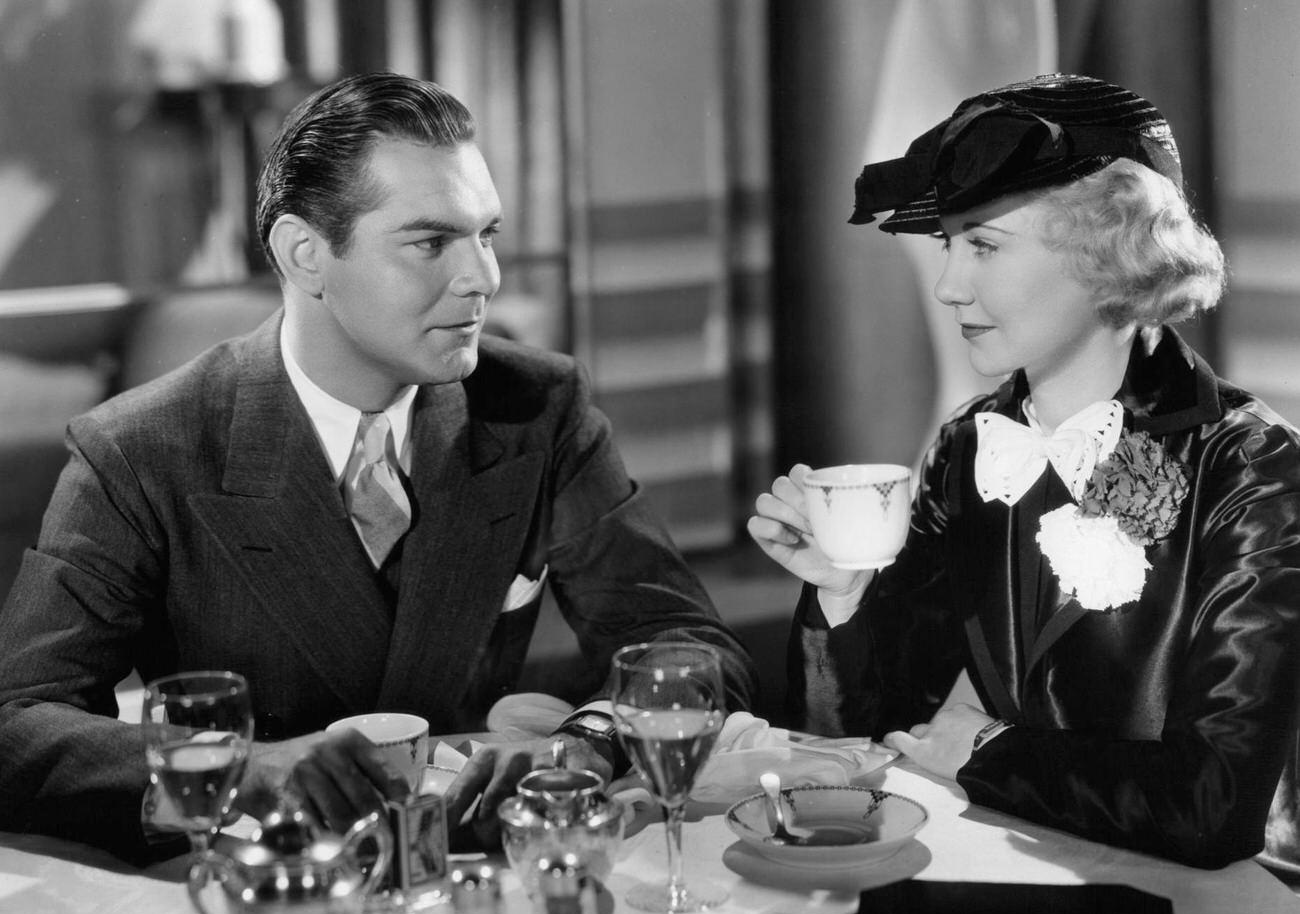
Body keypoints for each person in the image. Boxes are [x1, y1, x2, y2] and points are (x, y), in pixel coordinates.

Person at [0, 72, 756, 862]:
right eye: (430, 242)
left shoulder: (537, 407)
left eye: (487, 235)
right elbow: (17, 726)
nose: (483, 277)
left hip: (478, 871)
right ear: (305, 254)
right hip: (264, 888)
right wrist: (246, 770)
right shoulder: (142, 449)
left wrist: (588, 741)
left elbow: (689, 644)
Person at [749, 73, 1300, 869]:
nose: (948, 286)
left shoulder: (1250, 467)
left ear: (1108, 254)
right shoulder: (968, 448)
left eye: (983, 244)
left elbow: (1212, 806)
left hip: (1205, 911)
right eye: (947, 243)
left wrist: (988, 750)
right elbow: (862, 747)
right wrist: (843, 596)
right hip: (1006, 876)